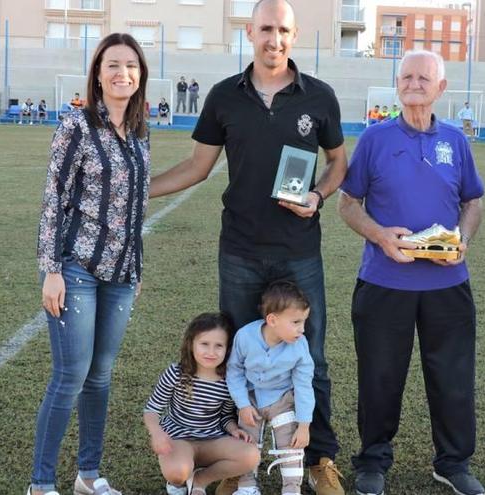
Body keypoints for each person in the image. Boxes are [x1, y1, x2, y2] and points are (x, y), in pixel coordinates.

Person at [147, 2, 348, 494]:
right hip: (238, 250)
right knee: (236, 359)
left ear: (294, 35)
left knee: (311, 357)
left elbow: (339, 163)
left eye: (282, 30)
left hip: (298, 251)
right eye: (265, 29)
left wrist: (318, 195)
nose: (273, 39)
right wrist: (139, 191)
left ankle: (318, 457)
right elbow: (196, 167)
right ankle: (242, 466)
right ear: (249, 33)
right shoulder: (223, 97)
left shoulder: (319, 97)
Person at [338, 49, 485, 495]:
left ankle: (453, 462)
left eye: (424, 78)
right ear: (397, 84)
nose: (414, 84)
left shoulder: (456, 142)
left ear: (441, 88)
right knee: (380, 377)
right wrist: (381, 236)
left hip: (447, 286)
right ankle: (373, 461)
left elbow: (473, 203)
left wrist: (461, 240)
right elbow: (348, 204)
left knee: (453, 378)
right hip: (385, 283)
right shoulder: (376, 138)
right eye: (407, 77)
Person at [31, 32, 152, 495]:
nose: (123, 73)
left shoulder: (141, 131)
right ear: (98, 75)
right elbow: (52, 200)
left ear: (140, 76)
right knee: (70, 376)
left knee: (100, 376)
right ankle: (40, 484)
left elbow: (136, 205)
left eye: (131, 66)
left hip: (122, 275)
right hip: (76, 268)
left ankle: (88, 475)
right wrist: (52, 270)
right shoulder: (75, 126)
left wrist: (136, 268)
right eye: (113, 65)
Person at [144, 312, 261, 495]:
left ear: (227, 349)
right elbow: (152, 410)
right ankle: (182, 477)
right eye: (204, 344)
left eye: (218, 346)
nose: (211, 352)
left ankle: (201, 479)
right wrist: (157, 433)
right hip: (179, 439)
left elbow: (224, 416)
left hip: (212, 440)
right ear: (191, 344)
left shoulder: (228, 381)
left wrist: (233, 429)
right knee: (177, 473)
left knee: (251, 455)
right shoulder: (176, 373)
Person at [226, 281, 316, 495]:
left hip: (282, 400)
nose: (302, 330)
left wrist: (304, 425)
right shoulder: (245, 336)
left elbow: (304, 386)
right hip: (251, 399)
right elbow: (234, 371)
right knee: (246, 441)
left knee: (291, 445)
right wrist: (243, 405)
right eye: (296, 322)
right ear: (272, 320)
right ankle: (247, 486)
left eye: (304, 322)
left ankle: (291, 490)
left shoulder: (300, 347)